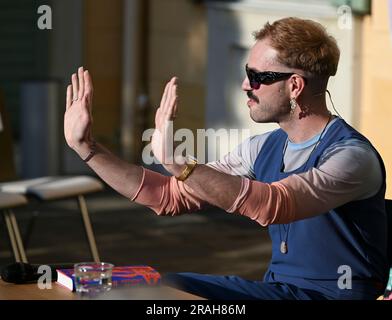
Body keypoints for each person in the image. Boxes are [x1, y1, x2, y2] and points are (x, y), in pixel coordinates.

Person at [64, 17, 389, 300]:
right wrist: (88, 148)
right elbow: (166, 197)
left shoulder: (351, 157)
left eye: (258, 76)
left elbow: (272, 204)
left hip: (332, 297)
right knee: (169, 289)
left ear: (295, 86)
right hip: (280, 292)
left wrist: (180, 163)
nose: (246, 85)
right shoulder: (262, 147)